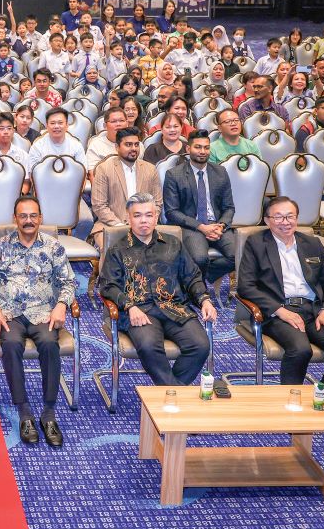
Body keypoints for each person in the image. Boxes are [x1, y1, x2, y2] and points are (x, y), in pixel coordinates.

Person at [0, 195, 75, 446]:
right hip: (9, 313)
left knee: (50, 344)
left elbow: (69, 282)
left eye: (33, 216)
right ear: (15, 219)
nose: (28, 220)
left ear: (40, 218)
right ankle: (24, 412)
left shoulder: (53, 247)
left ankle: (49, 413)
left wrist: (61, 305)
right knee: (10, 344)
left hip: (43, 312)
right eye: (23, 216)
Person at [236, 196, 324, 400]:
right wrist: (280, 311)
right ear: (267, 220)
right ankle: (291, 403)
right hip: (277, 312)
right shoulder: (257, 243)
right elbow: (246, 286)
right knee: (301, 350)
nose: (285, 222)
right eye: (278, 217)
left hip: (313, 311)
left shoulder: (312, 243)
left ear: (297, 218)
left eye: (290, 216)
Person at [99, 192, 217, 386]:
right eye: (137, 215)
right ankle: (173, 393)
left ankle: (170, 392)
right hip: (139, 311)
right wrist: (129, 306)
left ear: (156, 217)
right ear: (129, 218)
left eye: (148, 215)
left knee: (201, 345)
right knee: (148, 346)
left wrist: (205, 300)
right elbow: (108, 286)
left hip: (174, 307)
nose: (143, 220)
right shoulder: (118, 250)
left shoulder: (173, 244)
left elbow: (192, 277)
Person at [163, 130, 236, 284]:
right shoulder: (174, 175)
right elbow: (171, 212)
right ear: (188, 149)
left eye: (206, 147)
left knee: (238, 255)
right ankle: (198, 286)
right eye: (198, 147)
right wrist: (201, 227)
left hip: (217, 225)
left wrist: (221, 226)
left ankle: (201, 279)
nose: (202, 151)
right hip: (192, 226)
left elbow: (229, 207)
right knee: (200, 258)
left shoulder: (220, 172)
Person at [90, 127, 162, 248]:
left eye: (136, 144)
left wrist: (146, 221)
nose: (133, 148)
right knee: (112, 250)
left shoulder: (150, 169)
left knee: (162, 249)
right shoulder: (104, 169)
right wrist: (120, 226)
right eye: (128, 144)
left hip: (145, 225)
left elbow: (157, 203)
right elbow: (99, 205)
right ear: (117, 147)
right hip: (110, 225)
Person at [87, 107, 133, 174]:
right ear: (105, 126)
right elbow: (93, 175)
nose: (118, 124)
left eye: (121, 121)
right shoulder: (95, 145)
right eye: (113, 121)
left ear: (127, 123)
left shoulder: (136, 144)